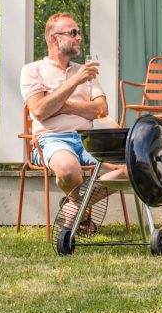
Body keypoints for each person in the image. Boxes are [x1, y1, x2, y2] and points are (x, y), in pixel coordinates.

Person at [20, 13, 126, 230]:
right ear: (53, 38)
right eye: (73, 33)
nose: (79, 37)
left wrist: (60, 105)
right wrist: (76, 81)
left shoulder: (86, 72)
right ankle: (80, 212)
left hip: (88, 139)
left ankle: (74, 205)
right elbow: (39, 110)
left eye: (78, 33)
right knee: (69, 171)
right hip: (51, 140)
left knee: (131, 169)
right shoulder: (32, 70)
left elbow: (101, 109)